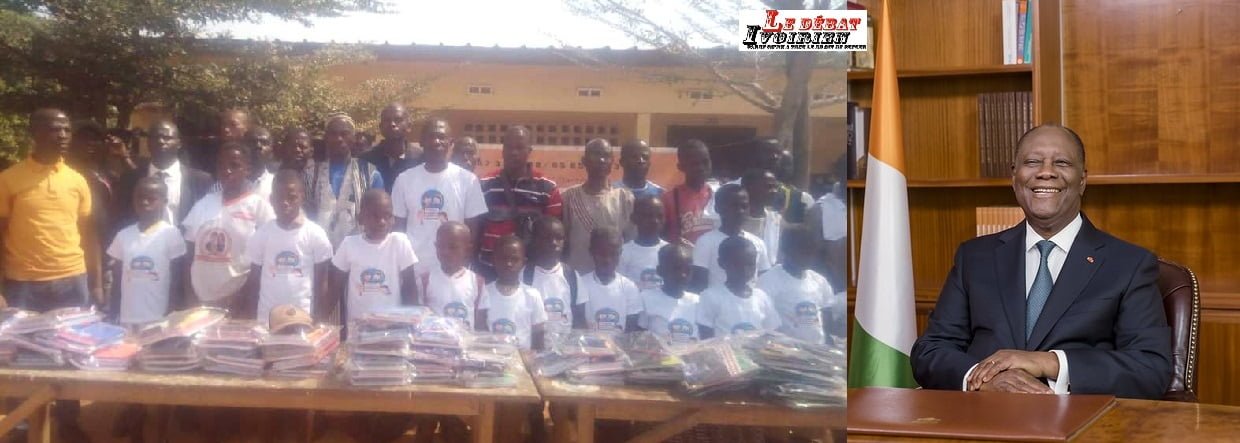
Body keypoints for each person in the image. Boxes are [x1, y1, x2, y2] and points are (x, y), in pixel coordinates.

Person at [910, 124, 1172, 399]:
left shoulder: (1129, 264)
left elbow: (1150, 368)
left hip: (1074, 423)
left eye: (1061, 162)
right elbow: (930, 350)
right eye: (1033, 162)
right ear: (1015, 176)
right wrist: (982, 378)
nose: (1046, 172)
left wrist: (1046, 362)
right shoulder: (975, 257)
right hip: (984, 419)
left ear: (1082, 179)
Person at [0, 108, 101, 311]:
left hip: (72, 280)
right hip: (24, 284)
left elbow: (89, 235)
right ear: (34, 133)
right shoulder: (8, 180)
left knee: (72, 342)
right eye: (55, 130)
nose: (63, 136)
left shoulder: (77, 180)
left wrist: (97, 285)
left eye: (67, 130)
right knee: (23, 343)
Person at [182, 142, 275, 311]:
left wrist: (242, 296)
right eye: (222, 166)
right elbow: (188, 256)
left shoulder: (258, 207)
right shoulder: (203, 204)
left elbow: (266, 259)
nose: (227, 171)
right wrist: (190, 296)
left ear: (247, 169)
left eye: (234, 165)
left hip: (240, 302)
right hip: (200, 301)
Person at [392, 118, 487, 273]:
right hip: (414, 270)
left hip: (454, 271)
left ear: (451, 143)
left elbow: (473, 232)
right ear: (421, 142)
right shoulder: (404, 180)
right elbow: (398, 231)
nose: (436, 142)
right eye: (431, 136)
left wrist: (464, 267)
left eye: (442, 137)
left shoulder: (468, 180)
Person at [243, 171, 333, 325]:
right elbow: (254, 281)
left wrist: (319, 318)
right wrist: (252, 319)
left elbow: (321, 283)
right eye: (279, 197)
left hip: (303, 318)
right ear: (271, 200)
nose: (285, 202)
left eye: (291, 197)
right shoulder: (262, 234)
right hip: (267, 320)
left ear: (301, 197)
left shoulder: (315, 234)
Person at [477, 125, 563, 278]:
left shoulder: (547, 188)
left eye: (520, 147)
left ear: (529, 151)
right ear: (502, 150)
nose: (514, 152)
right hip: (489, 270)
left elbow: (553, 236)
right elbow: (476, 231)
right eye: (509, 147)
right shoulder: (484, 185)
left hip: (530, 274)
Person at [328, 189, 419, 324]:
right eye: (375, 216)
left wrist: (412, 323)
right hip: (358, 328)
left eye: (387, 216)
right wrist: (320, 322)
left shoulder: (399, 242)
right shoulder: (349, 244)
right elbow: (334, 289)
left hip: (392, 328)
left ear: (393, 218)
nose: (382, 221)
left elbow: (410, 288)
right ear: (361, 219)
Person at [106, 177, 187, 327]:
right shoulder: (123, 236)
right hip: (127, 319)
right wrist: (114, 312)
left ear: (164, 202)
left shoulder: (171, 235)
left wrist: (173, 313)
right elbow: (117, 280)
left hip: (159, 319)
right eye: (140, 198)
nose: (144, 202)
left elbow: (178, 279)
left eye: (151, 199)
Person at [115, 120, 214, 227]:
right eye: (155, 137)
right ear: (148, 142)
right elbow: (120, 218)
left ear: (179, 143)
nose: (161, 141)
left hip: (183, 242)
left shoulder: (201, 181)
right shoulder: (130, 179)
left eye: (167, 138)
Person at [309, 114, 383, 247]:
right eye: (333, 134)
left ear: (353, 139)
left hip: (357, 251)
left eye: (344, 134)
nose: (339, 139)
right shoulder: (312, 173)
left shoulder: (369, 174)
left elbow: (378, 215)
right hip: (318, 251)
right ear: (326, 138)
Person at [562, 138, 634, 273]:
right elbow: (563, 242)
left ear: (612, 161)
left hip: (613, 279)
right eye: (595, 154)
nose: (601, 160)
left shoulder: (625, 198)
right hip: (578, 276)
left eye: (606, 156)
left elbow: (631, 241)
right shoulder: (569, 197)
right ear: (584, 161)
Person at [757, 224, 832, 345]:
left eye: (811, 251)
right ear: (786, 250)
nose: (808, 256)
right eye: (803, 251)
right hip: (786, 353)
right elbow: (764, 322)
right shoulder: (768, 281)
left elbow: (826, 316)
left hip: (818, 350)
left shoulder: (819, 281)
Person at [691, 184, 772, 291]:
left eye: (744, 206)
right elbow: (699, 284)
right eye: (734, 206)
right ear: (718, 208)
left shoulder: (758, 243)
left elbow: (765, 281)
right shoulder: (705, 242)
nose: (740, 211)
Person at [699, 236, 780, 338]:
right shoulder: (711, 297)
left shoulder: (762, 297)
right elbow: (705, 336)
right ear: (722, 263)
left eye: (750, 265)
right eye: (738, 265)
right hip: (723, 354)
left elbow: (772, 332)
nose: (745, 270)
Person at [477, 234, 548, 351]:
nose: (508, 264)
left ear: (523, 262)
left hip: (522, 363)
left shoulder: (532, 295)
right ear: (493, 260)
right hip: (493, 360)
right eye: (503, 258)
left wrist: (535, 363)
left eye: (514, 259)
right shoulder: (485, 292)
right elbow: (480, 333)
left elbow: (538, 337)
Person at [572, 227, 641, 333]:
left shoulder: (629, 288)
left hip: (621, 348)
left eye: (613, 254)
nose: (607, 260)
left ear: (620, 253)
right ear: (592, 252)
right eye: (602, 254)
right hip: (590, 348)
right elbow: (578, 325)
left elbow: (631, 331)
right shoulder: (581, 284)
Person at [419, 221, 485, 328]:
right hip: (435, 342)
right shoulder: (425, 280)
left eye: (453, 247)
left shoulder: (477, 282)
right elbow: (420, 317)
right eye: (441, 246)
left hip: (465, 343)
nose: (445, 252)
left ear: (467, 250)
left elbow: (480, 324)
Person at [638, 243, 708, 344]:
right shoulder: (646, 298)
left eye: (688, 270)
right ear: (660, 271)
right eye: (677, 269)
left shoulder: (698, 302)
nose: (683, 275)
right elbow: (639, 337)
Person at [522, 216, 575, 339]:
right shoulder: (524, 276)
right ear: (535, 240)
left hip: (565, 351)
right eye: (547, 238)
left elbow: (578, 318)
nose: (553, 243)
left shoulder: (571, 276)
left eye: (559, 238)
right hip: (533, 349)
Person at [663, 139, 717, 245]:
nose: (701, 167)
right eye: (694, 164)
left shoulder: (717, 195)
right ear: (681, 167)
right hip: (682, 259)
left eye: (705, 162)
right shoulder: (669, 199)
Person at [360, 103, 422, 192]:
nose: (392, 124)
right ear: (380, 127)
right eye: (387, 120)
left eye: (398, 120)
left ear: (409, 126)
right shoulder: (366, 160)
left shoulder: (421, 159)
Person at [751, 137, 813, 223]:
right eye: (768, 152)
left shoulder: (801, 199)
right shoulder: (734, 190)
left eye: (778, 153)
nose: (774, 157)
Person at [618, 195, 668, 292]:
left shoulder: (669, 251)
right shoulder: (624, 252)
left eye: (660, 216)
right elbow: (620, 288)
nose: (655, 221)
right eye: (649, 216)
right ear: (634, 218)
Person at [740, 168, 782, 266]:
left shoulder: (776, 220)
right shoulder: (734, 220)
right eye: (769, 187)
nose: (775, 191)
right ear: (749, 188)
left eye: (776, 187)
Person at [190, 109, 251, 174]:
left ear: (246, 127)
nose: (226, 129)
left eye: (233, 125)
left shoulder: (254, 150)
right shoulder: (207, 149)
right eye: (224, 124)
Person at [245, 127, 276, 198]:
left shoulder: (278, 184)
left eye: (264, 143)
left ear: (271, 150)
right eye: (252, 142)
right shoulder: (229, 182)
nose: (258, 146)